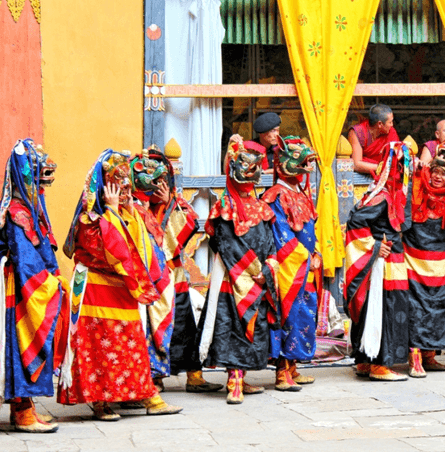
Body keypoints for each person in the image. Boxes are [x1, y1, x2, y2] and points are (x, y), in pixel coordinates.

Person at [58, 150, 182, 420]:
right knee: (98, 347)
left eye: (127, 183)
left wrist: (124, 211)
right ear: (104, 187)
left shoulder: (130, 212)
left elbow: (142, 247)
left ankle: (147, 395)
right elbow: (114, 249)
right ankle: (100, 402)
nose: (125, 189)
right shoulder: (89, 220)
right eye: (117, 183)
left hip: (123, 289)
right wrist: (112, 211)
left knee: (132, 343)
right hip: (95, 289)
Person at [131, 149, 223, 394]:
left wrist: (169, 201)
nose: (156, 186)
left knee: (183, 326)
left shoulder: (174, 203)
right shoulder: (135, 207)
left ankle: (194, 376)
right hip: (149, 278)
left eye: (162, 181)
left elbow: (190, 222)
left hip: (174, 276)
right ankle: (156, 376)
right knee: (151, 328)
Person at [0, 140, 66, 433]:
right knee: (22, 344)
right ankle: (22, 412)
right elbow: (25, 261)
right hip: (21, 288)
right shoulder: (17, 213)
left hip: (28, 284)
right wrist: (49, 282)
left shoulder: (30, 209)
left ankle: (26, 408)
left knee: (30, 344)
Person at [198, 140, 279, 404]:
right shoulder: (224, 204)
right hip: (231, 275)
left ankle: (242, 376)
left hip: (256, 275)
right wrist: (247, 273)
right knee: (231, 324)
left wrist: (267, 267)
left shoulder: (261, 207)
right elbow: (222, 241)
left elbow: (270, 241)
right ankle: (233, 378)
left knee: (255, 326)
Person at [344, 141, 412, 381]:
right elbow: (355, 222)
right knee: (385, 308)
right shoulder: (382, 196)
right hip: (383, 262)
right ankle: (379, 365)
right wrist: (375, 246)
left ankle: (364, 360)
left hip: (388, 261)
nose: (406, 173)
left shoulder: (385, 193)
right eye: (403, 167)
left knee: (375, 307)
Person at [404, 140, 445, 377]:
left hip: (443, 262)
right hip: (416, 260)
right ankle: (414, 356)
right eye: (434, 172)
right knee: (416, 308)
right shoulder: (418, 189)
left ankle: (430, 355)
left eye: (443, 173)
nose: (438, 177)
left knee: (440, 308)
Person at [261, 135, 320, 391]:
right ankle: (281, 372)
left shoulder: (301, 193)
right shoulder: (276, 195)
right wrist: (305, 256)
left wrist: (315, 252)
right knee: (287, 316)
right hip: (289, 266)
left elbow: (309, 230)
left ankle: (294, 366)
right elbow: (281, 234)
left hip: (305, 266)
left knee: (305, 315)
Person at [348, 104, 400, 175]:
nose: (392, 125)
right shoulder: (358, 132)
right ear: (380, 124)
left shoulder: (391, 132)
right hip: (362, 175)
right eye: (390, 122)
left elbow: (396, 156)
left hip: (384, 176)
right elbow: (356, 164)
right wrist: (381, 167)